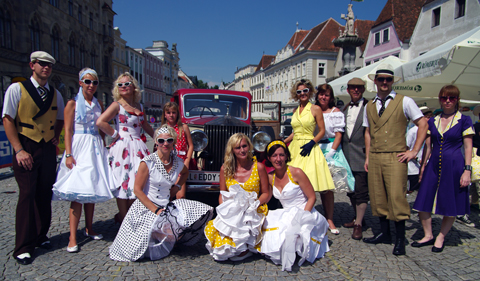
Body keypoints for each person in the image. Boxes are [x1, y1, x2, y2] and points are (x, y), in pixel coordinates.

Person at [109, 125, 213, 261]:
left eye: (169, 140)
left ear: (173, 143)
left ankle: (169, 236)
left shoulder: (177, 162)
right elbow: (137, 190)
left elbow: (185, 173)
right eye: (161, 141)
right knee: (143, 246)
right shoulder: (147, 162)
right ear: (156, 142)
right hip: (148, 208)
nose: (165, 144)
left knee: (202, 210)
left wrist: (176, 187)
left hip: (166, 206)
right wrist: (156, 210)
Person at [2, 51, 65, 265]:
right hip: (26, 145)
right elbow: (8, 119)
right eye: (42, 64)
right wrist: (18, 149)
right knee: (27, 194)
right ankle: (23, 246)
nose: (46, 68)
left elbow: (59, 118)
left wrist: (55, 137)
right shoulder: (16, 89)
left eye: (49, 65)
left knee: (44, 193)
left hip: (46, 148)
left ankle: (40, 235)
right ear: (32, 65)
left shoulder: (56, 93)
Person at [362, 63, 428, 256]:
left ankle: (400, 239)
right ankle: (384, 233)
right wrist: (367, 156)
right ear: (375, 81)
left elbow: (423, 124)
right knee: (378, 196)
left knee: (397, 197)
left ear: (392, 82)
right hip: (375, 156)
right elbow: (368, 132)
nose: (384, 82)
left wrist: (414, 151)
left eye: (388, 79)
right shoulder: (370, 105)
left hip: (396, 156)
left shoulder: (405, 101)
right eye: (381, 79)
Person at [52, 68, 114, 253]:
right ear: (80, 82)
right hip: (79, 147)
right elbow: (68, 130)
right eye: (87, 81)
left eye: (94, 82)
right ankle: (72, 236)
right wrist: (69, 154)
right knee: (78, 193)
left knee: (91, 189)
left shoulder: (98, 103)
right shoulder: (72, 103)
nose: (91, 85)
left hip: (94, 147)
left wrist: (105, 149)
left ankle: (89, 227)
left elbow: (101, 129)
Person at [412, 85, 474, 252]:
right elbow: (428, 146)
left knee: (451, 201)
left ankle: (441, 236)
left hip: (454, 165)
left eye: (451, 98)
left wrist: (467, 170)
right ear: (440, 99)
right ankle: (428, 234)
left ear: (456, 100)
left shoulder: (464, 120)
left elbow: (468, 147)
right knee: (423, 200)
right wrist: (423, 166)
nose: (447, 101)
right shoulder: (433, 120)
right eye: (444, 98)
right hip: (433, 165)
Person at [259, 140, 329, 271]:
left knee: (293, 234)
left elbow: (312, 197)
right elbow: (267, 196)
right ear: (269, 158)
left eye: (281, 155)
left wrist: (303, 216)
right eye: (274, 156)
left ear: (286, 156)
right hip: (285, 213)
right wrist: (254, 204)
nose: (278, 159)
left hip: (304, 211)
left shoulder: (296, 172)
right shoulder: (270, 177)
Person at [96, 73, 154, 224]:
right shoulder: (117, 105)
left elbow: (145, 125)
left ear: (134, 87)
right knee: (123, 183)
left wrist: (158, 138)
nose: (123, 87)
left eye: (126, 84)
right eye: (120, 85)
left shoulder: (139, 106)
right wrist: (115, 134)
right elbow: (101, 122)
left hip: (139, 147)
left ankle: (127, 217)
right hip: (123, 149)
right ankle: (123, 219)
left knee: (138, 183)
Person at [204, 133, 271, 261]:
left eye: (244, 146)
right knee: (224, 245)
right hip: (233, 210)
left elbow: (266, 193)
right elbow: (222, 193)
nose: (242, 150)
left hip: (254, 209)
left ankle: (248, 246)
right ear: (232, 150)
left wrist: (255, 204)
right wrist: (223, 211)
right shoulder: (225, 169)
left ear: (249, 146)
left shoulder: (259, 167)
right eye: (237, 147)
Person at [284, 79, 336, 234]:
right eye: (299, 92)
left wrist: (312, 143)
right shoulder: (294, 111)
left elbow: (321, 130)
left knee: (321, 185)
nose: (302, 94)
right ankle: (302, 218)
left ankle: (329, 219)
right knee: (296, 185)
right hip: (295, 149)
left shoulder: (315, 109)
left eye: (305, 91)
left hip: (309, 148)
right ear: (296, 94)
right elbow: (294, 133)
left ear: (310, 92)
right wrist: (281, 142)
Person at [341, 78, 369, 240]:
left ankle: (358, 225)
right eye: (353, 88)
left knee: (361, 192)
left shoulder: (369, 107)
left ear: (363, 89)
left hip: (362, 155)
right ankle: (359, 218)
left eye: (359, 88)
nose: (356, 90)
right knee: (351, 191)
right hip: (347, 156)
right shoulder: (345, 108)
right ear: (348, 90)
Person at [315, 84, 355, 192]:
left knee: (330, 186)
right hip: (316, 148)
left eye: (326, 95)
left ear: (331, 97)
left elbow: (338, 135)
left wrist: (332, 152)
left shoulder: (335, 113)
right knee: (318, 186)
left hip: (331, 148)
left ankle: (330, 209)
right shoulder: (313, 111)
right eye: (321, 94)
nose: (323, 97)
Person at [161, 101, 193, 199]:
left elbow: (191, 145)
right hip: (166, 164)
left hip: (180, 163)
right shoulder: (162, 129)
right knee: (167, 195)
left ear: (177, 114)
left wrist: (187, 160)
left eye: (173, 112)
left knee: (181, 195)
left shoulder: (183, 127)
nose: (171, 115)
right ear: (165, 115)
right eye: (168, 112)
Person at [406, 107, 433, 194]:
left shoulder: (431, 131)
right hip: (414, 167)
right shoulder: (412, 131)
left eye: (430, 117)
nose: (429, 119)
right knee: (413, 190)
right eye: (427, 117)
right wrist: (417, 158)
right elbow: (406, 148)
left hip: (426, 165)